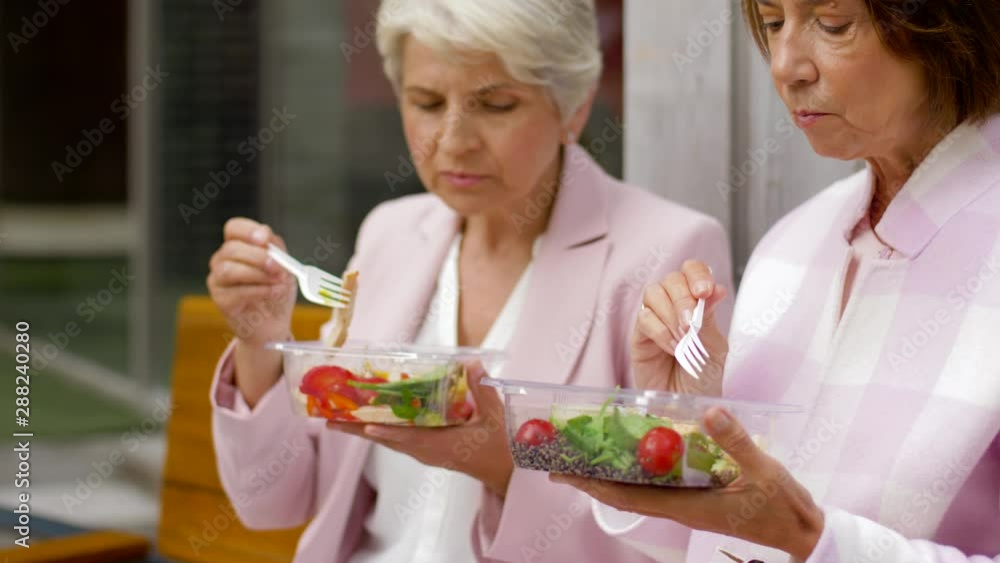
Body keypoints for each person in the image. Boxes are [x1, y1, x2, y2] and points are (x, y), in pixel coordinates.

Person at [205, 1, 733, 561]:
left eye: (496, 104)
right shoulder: (390, 234)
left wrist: (500, 467)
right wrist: (260, 341)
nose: (453, 140)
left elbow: (675, 541)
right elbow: (273, 504)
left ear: (573, 107)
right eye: (426, 102)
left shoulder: (665, 253)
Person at [558, 0, 1000, 561]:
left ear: (947, 25)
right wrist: (679, 422)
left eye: (833, 24)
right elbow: (698, 541)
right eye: (771, 24)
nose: (787, 66)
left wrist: (811, 540)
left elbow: (790, 531)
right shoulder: (792, 245)